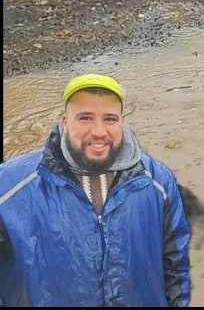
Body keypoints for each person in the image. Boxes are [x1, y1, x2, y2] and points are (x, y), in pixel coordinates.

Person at [0, 73, 192, 307]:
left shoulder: (157, 181)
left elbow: (176, 264)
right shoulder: (10, 186)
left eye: (110, 119)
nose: (99, 131)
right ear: (64, 122)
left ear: (122, 122)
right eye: (85, 118)